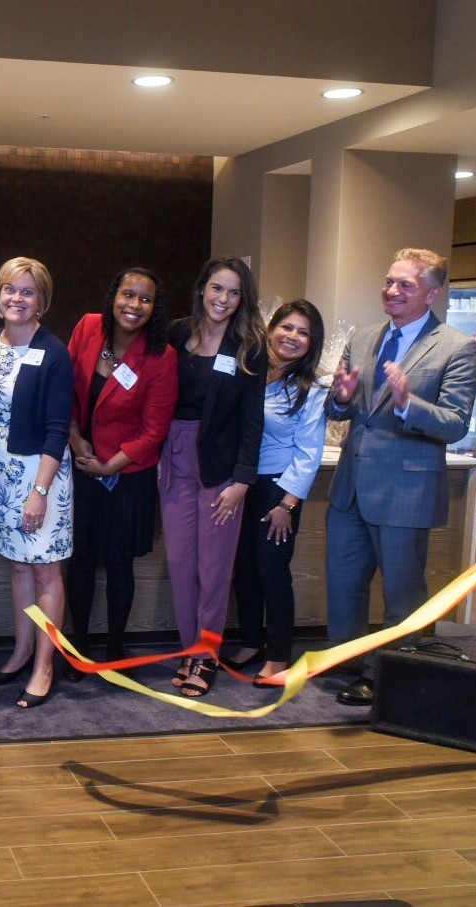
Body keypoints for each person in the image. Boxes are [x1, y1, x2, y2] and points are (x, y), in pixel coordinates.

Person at [326, 247, 476, 707]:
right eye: (388, 281)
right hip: (350, 488)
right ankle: (347, 664)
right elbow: (349, 410)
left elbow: (455, 423)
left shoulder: (456, 347)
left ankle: (395, 676)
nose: (391, 291)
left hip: (405, 491)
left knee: (402, 595)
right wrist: (341, 399)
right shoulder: (366, 337)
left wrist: (409, 403)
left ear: (431, 294)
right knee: (344, 584)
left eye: (404, 285)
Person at [0, 257, 73, 708]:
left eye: (28, 292)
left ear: (42, 301)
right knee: (18, 566)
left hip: (42, 475)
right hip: (5, 475)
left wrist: (40, 492)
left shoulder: (55, 352)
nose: (17, 298)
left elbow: (57, 428)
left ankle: (45, 665)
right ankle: (21, 651)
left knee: (46, 568)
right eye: (10, 289)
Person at [160, 257, 266, 698]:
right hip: (174, 457)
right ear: (202, 288)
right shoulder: (177, 334)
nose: (223, 299)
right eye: (217, 288)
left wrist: (242, 480)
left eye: (234, 292)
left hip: (221, 467)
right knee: (182, 566)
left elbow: (251, 421)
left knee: (214, 568)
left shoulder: (250, 346)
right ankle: (190, 650)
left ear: (243, 299)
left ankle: (206, 655)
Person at [64, 268, 178, 672]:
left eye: (145, 299)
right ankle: (77, 647)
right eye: (127, 295)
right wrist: (76, 440)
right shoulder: (88, 328)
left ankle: (114, 650)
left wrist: (108, 466)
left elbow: (154, 430)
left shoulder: (161, 356)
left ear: (154, 307)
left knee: (117, 564)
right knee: (77, 560)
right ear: (114, 295)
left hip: (127, 477)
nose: (134, 305)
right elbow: (66, 392)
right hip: (80, 464)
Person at [223, 300, 327, 684]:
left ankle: (279, 655)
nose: (292, 337)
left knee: (271, 570)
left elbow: (309, 452)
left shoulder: (311, 389)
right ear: (271, 329)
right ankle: (251, 640)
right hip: (240, 483)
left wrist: (287, 503)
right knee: (244, 568)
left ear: (311, 342)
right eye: (287, 327)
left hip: (278, 488)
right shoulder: (249, 371)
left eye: (303, 332)